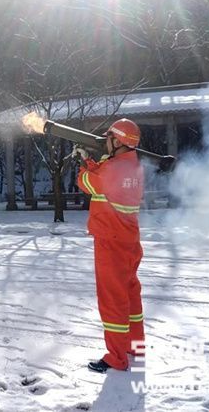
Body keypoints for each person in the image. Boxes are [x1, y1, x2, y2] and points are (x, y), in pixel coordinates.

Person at [74, 118, 145, 373]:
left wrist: (82, 165)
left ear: (117, 141)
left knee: (112, 301)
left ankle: (116, 357)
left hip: (110, 243)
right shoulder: (133, 167)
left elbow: (87, 183)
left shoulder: (113, 169)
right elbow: (104, 179)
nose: (105, 141)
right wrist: (92, 163)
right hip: (129, 242)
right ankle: (135, 347)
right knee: (130, 298)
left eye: (109, 138)